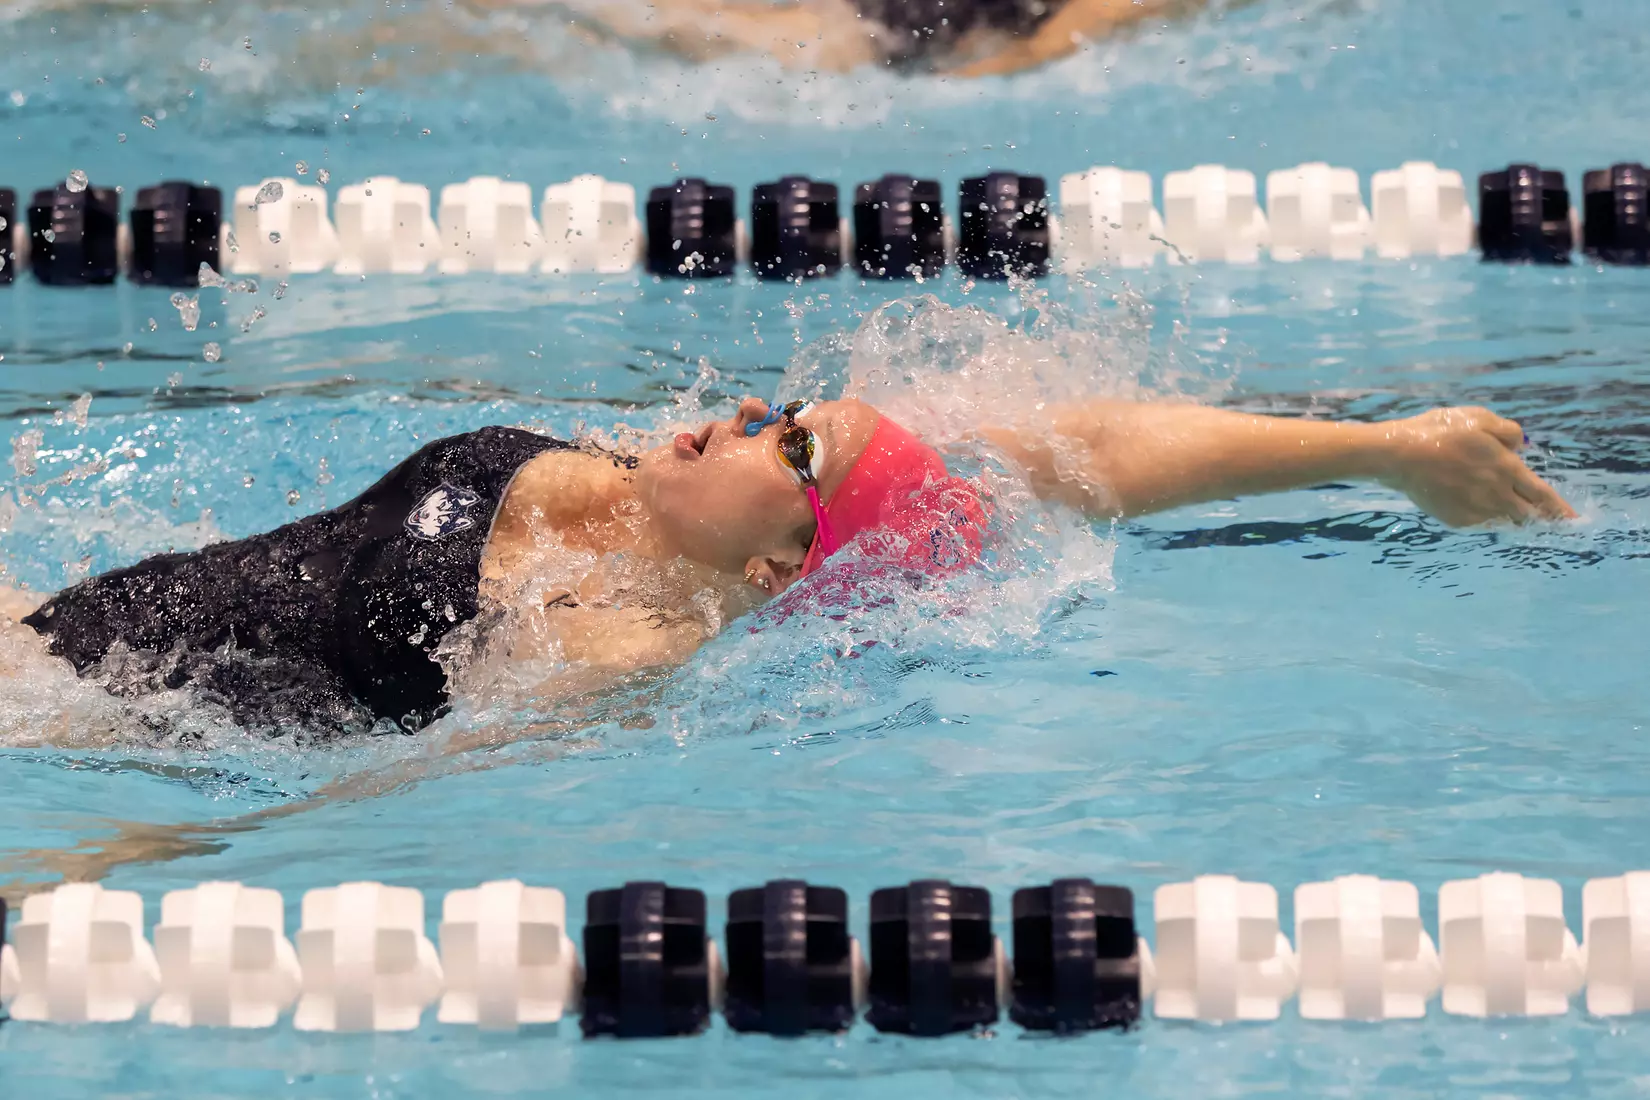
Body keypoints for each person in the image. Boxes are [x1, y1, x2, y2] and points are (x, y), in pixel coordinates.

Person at [9, 394, 1575, 741]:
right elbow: (1070, 446)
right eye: (774, 400)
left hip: (58, 717)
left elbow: (364, 808)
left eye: (789, 446)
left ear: (780, 568)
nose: (740, 416)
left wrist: (108, 875)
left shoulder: (616, 649)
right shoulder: (636, 481)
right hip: (48, 619)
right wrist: (1375, 448)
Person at [461, 0, 1211, 76]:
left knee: (686, 27)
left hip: (886, 30)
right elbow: (1037, 53)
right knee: (684, 28)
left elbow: (1038, 51)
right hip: (882, 27)